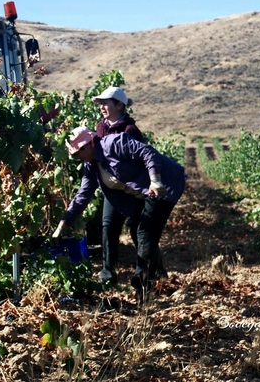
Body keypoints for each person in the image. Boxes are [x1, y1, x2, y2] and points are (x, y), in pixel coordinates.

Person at [53, 126, 186, 297]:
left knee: (145, 231)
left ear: (91, 143)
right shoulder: (91, 165)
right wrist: (63, 224)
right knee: (137, 231)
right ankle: (157, 276)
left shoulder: (114, 143)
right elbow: (82, 195)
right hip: (143, 193)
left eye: (79, 150)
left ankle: (143, 284)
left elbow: (148, 152)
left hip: (164, 183)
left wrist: (155, 180)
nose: (77, 155)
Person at [90, 87, 147, 285]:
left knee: (136, 230)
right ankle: (108, 274)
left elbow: (141, 161)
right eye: (101, 104)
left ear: (119, 105)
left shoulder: (130, 131)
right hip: (112, 190)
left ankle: (144, 274)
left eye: (106, 103)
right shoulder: (100, 127)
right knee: (108, 228)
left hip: (132, 190)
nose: (102, 107)